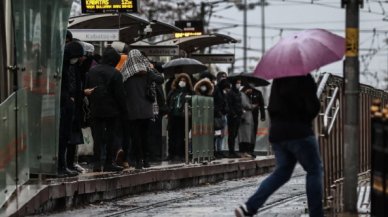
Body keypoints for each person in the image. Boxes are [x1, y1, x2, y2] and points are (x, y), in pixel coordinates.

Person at [235, 74, 323, 217]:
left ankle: (249, 207)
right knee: (314, 170)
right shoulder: (304, 78)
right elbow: (312, 107)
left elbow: (272, 107)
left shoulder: (279, 78)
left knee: (282, 172)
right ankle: (316, 214)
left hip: (278, 134)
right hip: (299, 132)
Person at [85, 47, 127, 172]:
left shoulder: (92, 71)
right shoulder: (115, 73)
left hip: (95, 108)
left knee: (97, 137)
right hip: (111, 110)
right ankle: (109, 162)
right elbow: (120, 95)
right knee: (110, 136)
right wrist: (124, 110)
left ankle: (97, 163)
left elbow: (87, 88)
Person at [121, 49, 164, 169]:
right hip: (146, 109)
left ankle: (137, 160)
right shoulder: (147, 70)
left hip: (131, 109)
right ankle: (146, 160)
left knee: (135, 137)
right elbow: (161, 79)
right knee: (145, 135)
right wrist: (151, 68)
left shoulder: (124, 71)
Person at [58, 41, 84, 177]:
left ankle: (63, 166)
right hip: (63, 105)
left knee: (65, 137)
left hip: (68, 106)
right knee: (61, 137)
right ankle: (60, 166)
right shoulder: (62, 66)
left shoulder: (69, 65)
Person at [166, 73, 194, 161]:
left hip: (183, 118)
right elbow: (168, 102)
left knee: (181, 136)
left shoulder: (190, 92)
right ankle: (171, 154)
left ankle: (181, 154)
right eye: (181, 80)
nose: (182, 82)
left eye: (184, 80)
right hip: (173, 117)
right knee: (172, 136)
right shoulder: (173, 91)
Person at [238, 84, 258, 159]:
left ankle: (245, 152)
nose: (251, 91)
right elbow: (246, 105)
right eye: (250, 89)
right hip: (245, 118)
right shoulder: (242, 95)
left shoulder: (245, 95)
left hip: (247, 118)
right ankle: (243, 152)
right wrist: (253, 106)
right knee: (245, 136)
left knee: (247, 135)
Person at [213, 75, 230, 158]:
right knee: (216, 134)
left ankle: (219, 150)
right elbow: (215, 103)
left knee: (221, 134)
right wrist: (218, 112)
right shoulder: (216, 90)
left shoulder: (222, 92)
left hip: (222, 115)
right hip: (217, 116)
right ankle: (215, 150)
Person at [226, 79, 243, 158]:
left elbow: (239, 104)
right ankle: (231, 151)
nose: (238, 84)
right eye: (237, 83)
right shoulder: (230, 93)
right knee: (231, 134)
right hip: (232, 117)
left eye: (239, 83)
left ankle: (233, 151)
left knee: (235, 134)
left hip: (238, 116)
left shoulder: (239, 93)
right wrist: (234, 114)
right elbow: (229, 105)